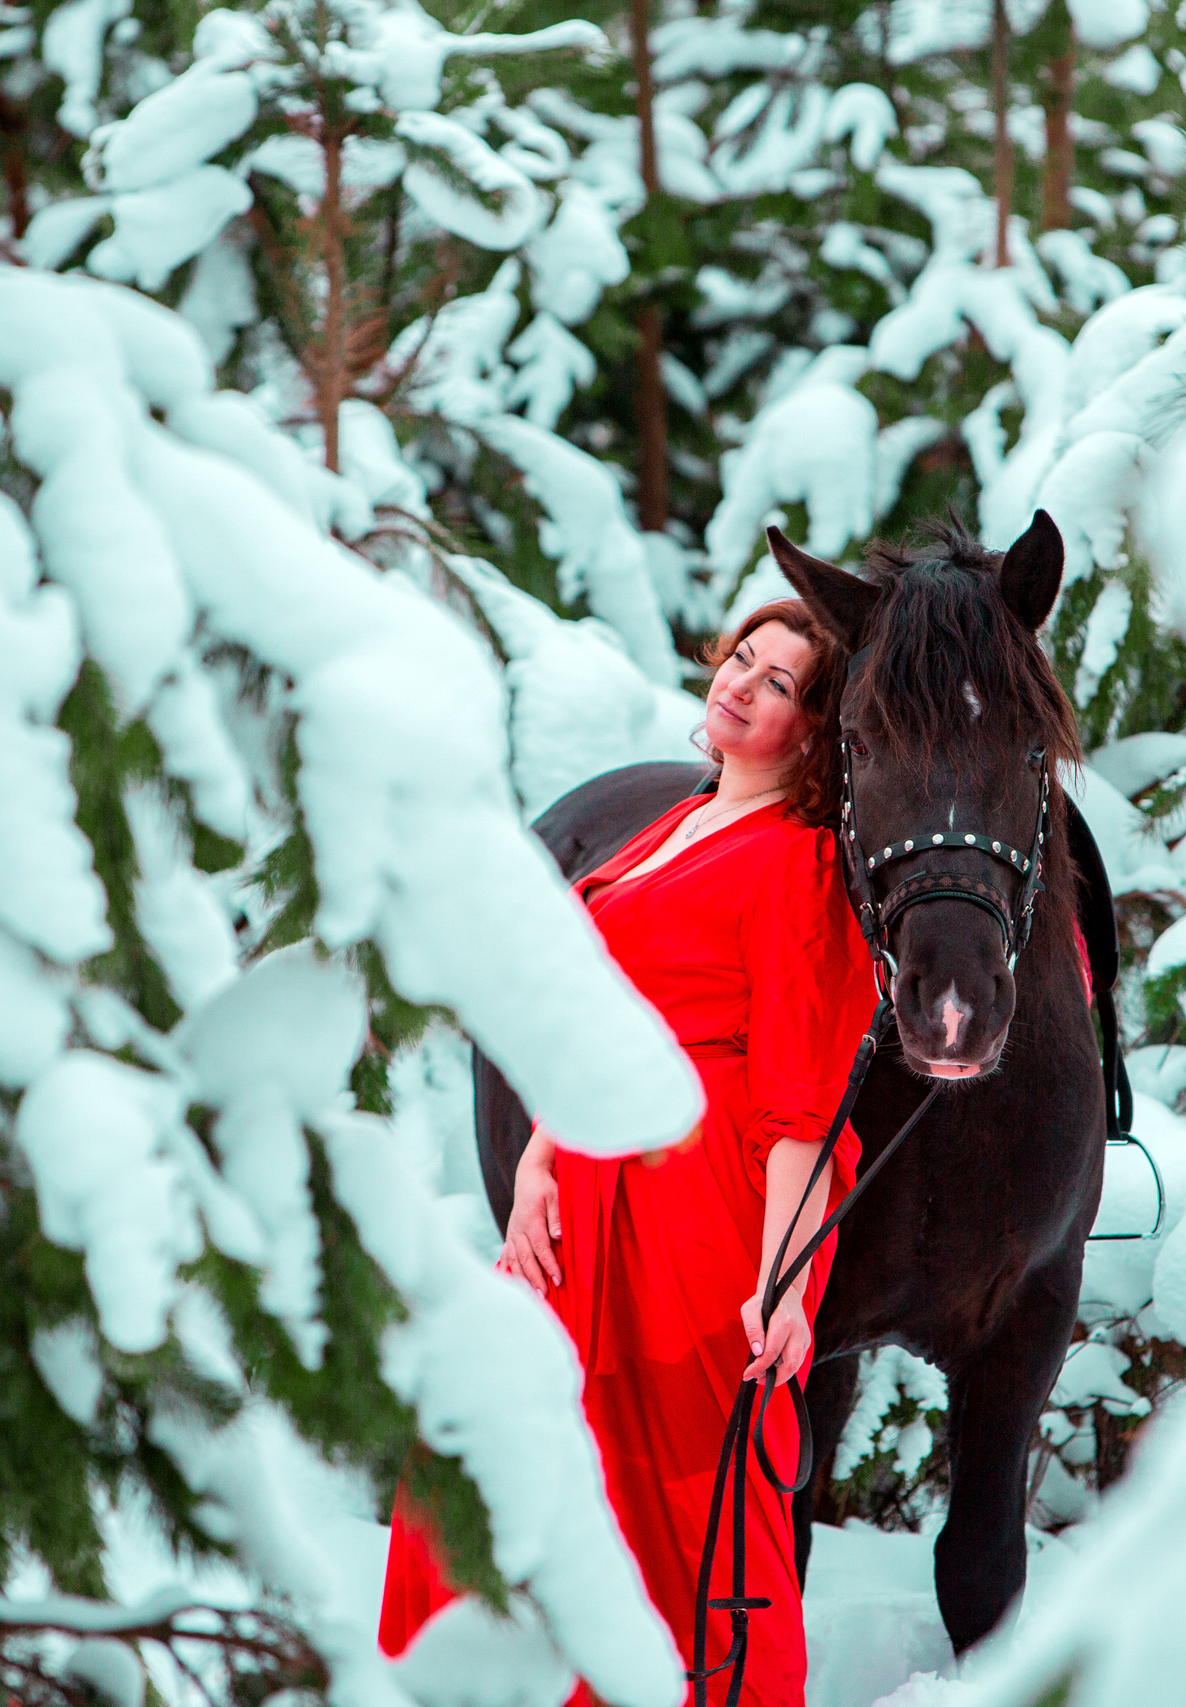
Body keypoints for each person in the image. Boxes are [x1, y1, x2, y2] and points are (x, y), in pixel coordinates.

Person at [378, 599, 876, 1707]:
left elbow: (801, 1105)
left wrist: (783, 1281)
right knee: (493, 1443)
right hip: (583, 1185)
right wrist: (537, 1162)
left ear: (814, 730)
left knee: (681, 1497)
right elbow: (603, 1008)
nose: (740, 683)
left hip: (696, 1211)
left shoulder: (801, 862)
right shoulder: (671, 825)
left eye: (780, 683)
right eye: (741, 658)